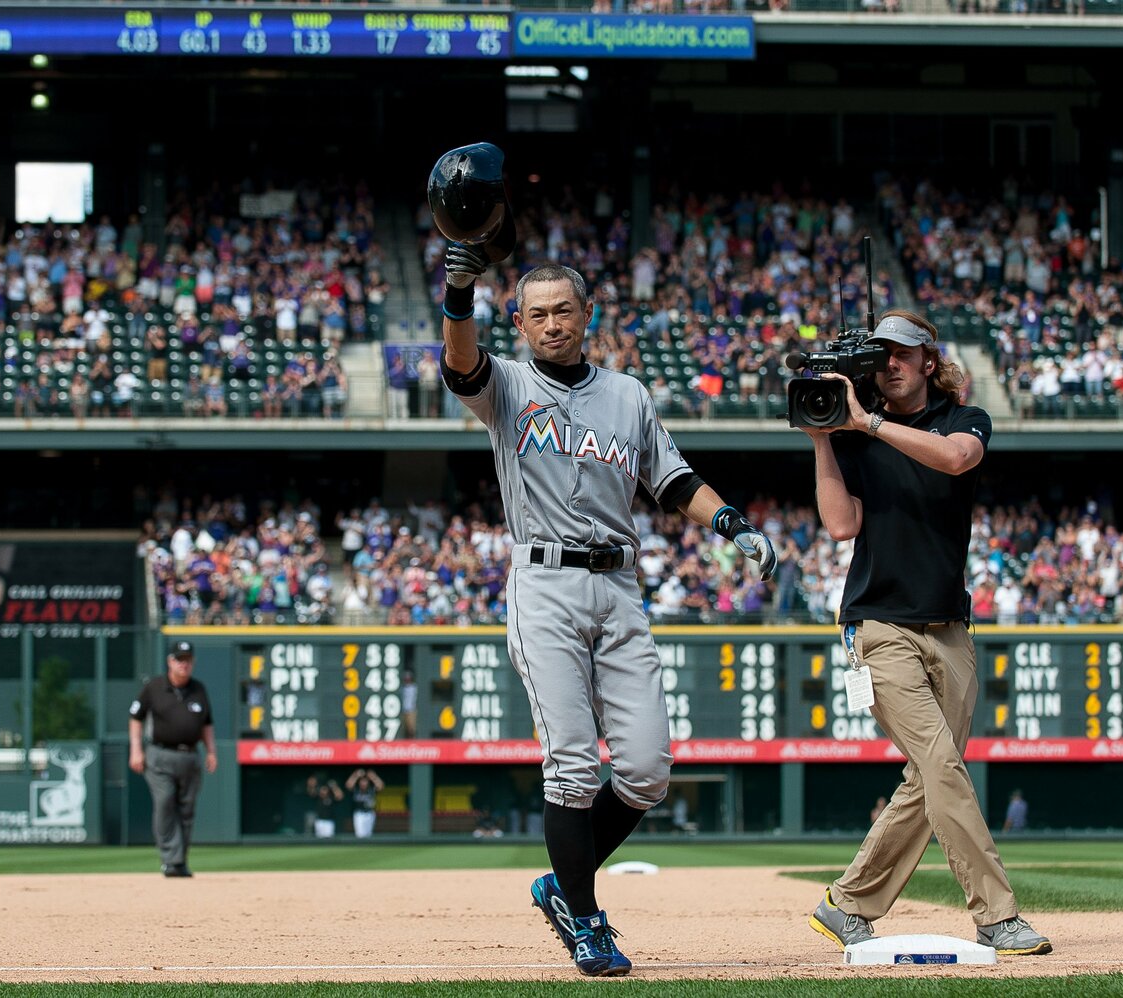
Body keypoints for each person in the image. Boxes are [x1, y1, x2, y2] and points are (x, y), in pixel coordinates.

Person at [440, 238, 776, 977]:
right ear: (520, 324)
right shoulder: (507, 386)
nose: (552, 323)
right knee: (570, 769)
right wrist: (459, 294)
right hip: (546, 583)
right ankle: (587, 922)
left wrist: (732, 523)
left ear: (588, 315)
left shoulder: (628, 396)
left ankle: (561, 887)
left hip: (620, 586)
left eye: (564, 310)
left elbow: (676, 479)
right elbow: (459, 364)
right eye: (538, 314)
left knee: (649, 771)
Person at [802, 310, 1051, 957]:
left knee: (930, 776)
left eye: (901, 355)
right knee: (940, 765)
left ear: (928, 362)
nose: (889, 364)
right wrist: (825, 438)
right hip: (878, 625)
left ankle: (848, 904)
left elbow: (957, 459)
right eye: (880, 355)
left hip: (950, 628)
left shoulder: (962, 420)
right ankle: (997, 915)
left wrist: (871, 423)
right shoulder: (856, 436)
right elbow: (839, 526)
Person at [128, 640, 217, 877]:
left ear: (193, 662)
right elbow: (136, 717)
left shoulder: (199, 689)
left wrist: (211, 751)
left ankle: (180, 861)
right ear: (170, 661)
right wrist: (136, 750)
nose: (183, 664)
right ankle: (170, 859)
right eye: (179, 659)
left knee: (187, 810)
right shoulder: (154, 687)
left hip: (190, 755)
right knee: (165, 802)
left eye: (187, 660)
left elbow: (207, 724)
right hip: (160, 755)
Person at [347, 767, 384, 839]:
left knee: (369, 834)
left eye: (365, 781)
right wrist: (356, 775)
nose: (363, 783)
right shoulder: (356, 790)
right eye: (362, 781)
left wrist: (374, 777)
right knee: (360, 835)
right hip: (359, 814)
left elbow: (381, 786)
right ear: (359, 782)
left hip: (370, 813)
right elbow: (348, 785)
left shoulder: (371, 790)